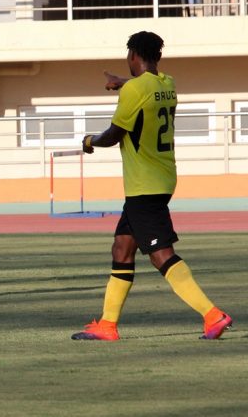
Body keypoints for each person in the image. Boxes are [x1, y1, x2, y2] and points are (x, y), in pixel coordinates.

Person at [72, 31, 232, 341]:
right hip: (159, 178)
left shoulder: (134, 91)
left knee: (161, 255)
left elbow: (113, 135)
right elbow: (146, 88)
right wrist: (123, 82)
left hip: (144, 185)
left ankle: (213, 315)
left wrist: (89, 141)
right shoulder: (168, 84)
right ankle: (107, 325)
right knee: (122, 248)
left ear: (133, 54)